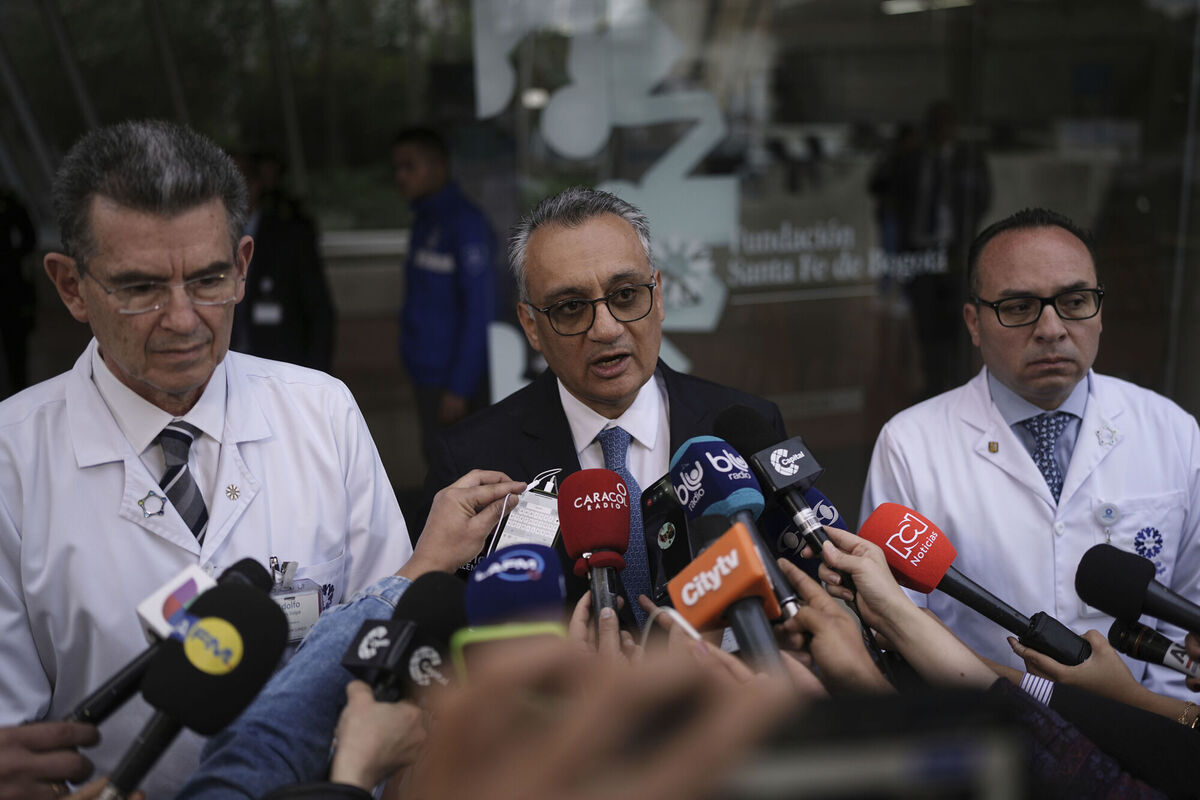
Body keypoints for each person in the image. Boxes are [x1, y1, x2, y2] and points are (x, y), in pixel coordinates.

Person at [0, 119, 413, 799]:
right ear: (71, 286)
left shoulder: (323, 414)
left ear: (244, 265)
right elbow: (19, 742)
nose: (184, 318)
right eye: (140, 288)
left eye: (209, 278)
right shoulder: (15, 463)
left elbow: (386, 652)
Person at [861, 207, 1200, 700]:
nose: (1051, 328)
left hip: (1152, 737)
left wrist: (1167, 725)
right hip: (989, 733)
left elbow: (1192, 606)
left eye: (1075, 301)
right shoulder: (911, 445)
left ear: (1100, 310)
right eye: (1019, 307)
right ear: (974, 323)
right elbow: (893, 621)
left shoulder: (1171, 429)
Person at [424, 186, 785, 623]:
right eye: (572, 307)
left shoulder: (746, 429)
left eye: (626, 295)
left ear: (660, 295)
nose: (606, 328)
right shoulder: (470, 462)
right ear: (531, 326)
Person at [392, 128, 497, 466]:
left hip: (454, 383)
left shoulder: (466, 223)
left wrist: (460, 387)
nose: (400, 177)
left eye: (410, 166)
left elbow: (480, 311)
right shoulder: (424, 220)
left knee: (461, 470)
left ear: (439, 166)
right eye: (397, 168)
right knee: (437, 465)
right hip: (426, 375)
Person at [230, 151, 335, 372]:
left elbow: (320, 314)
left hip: (280, 371)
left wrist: (314, 380)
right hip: (218, 373)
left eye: (237, 180)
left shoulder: (291, 236)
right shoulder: (198, 239)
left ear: (256, 185)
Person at [0, 186, 37, 395]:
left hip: (8, 284)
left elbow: (29, 236)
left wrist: (10, 260)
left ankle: (17, 390)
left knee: (15, 341)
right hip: (9, 278)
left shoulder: (8, 200)